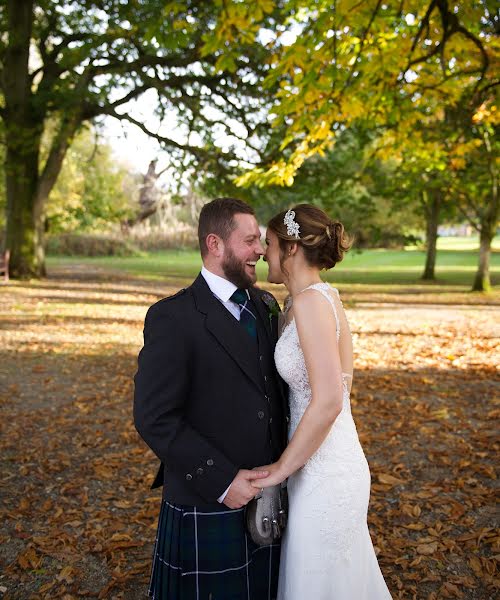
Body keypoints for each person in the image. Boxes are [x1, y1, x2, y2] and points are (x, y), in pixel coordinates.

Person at [133, 197, 288, 600]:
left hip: (268, 497)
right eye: (250, 240)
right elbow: (155, 418)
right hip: (209, 498)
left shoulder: (266, 306)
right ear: (215, 245)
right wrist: (222, 482)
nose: (260, 250)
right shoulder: (173, 317)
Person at [254, 204, 392, 599]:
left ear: (291, 249)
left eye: (269, 243)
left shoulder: (314, 303)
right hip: (320, 461)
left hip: (326, 472)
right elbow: (341, 385)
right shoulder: (308, 302)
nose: (264, 252)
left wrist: (280, 469)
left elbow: (332, 399)